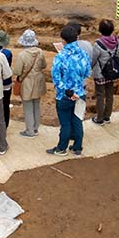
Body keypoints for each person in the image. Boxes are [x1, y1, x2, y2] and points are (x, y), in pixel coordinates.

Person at [47, 25, 91, 156]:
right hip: (80, 93)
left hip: (64, 96)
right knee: (77, 120)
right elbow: (87, 72)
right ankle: (77, 147)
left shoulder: (60, 57)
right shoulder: (84, 54)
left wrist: (67, 91)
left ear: (63, 40)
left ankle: (61, 148)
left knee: (65, 123)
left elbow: (56, 77)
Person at [12, 29, 47, 138]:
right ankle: (36, 128)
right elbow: (44, 65)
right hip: (38, 81)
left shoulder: (22, 55)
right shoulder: (40, 52)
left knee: (28, 107)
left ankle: (29, 131)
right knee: (36, 105)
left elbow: (17, 71)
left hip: (27, 82)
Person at [91, 19, 119, 125]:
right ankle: (107, 116)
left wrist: (90, 68)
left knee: (100, 95)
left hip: (100, 73)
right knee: (109, 94)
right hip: (111, 72)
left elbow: (93, 59)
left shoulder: (98, 44)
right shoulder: (116, 41)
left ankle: (99, 118)